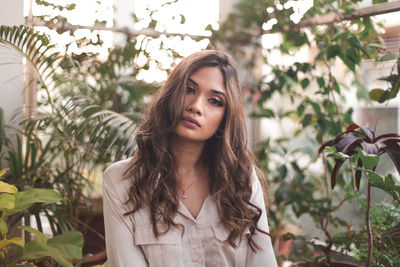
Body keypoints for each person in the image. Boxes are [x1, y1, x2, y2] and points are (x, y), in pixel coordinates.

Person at [102, 50, 277, 267]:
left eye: (214, 101)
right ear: (170, 95)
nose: (196, 106)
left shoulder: (242, 179)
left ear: (225, 117)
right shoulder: (121, 181)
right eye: (189, 89)